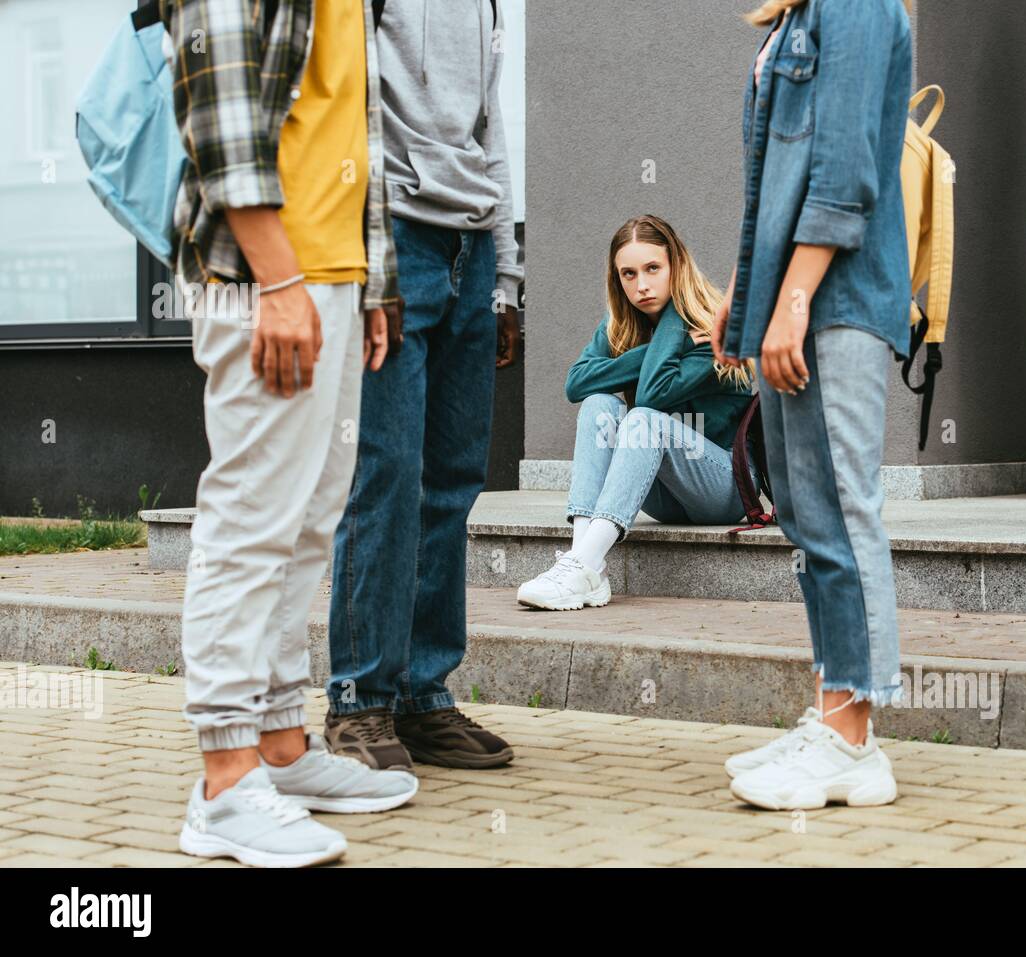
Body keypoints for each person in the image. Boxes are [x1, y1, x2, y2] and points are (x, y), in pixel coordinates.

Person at [169, 0, 419, 868]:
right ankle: (224, 782)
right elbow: (220, 104)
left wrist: (374, 279)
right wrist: (276, 278)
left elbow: (356, 120)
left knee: (310, 519)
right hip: (264, 273)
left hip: (332, 272)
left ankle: (278, 747)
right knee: (249, 521)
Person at [712, 0, 915, 811]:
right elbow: (772, 184)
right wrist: (748, 295)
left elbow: (844, 169)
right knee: (807, 512)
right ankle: (836, 707)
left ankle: (854, 740)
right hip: (794, 299)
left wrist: (792, 299)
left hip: (838, 300)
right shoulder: (792, 20)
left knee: (841, 505)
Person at [324, 0, 524, 772]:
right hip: (396, 237)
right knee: (387, 475)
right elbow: (353, 111)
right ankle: (359, 699)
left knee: (452, 480)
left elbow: (489, 126)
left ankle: (421, 692)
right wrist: (374, 268)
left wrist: (505, 276)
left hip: (471, 249)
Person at [515, 215, 759, 610]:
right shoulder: (622, 325)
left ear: (675, 267)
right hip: (664, 495)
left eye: (652, 269)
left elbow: (652, 393)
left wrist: (673, 329)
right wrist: (655, 350)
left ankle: (583, 565)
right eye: (628, 274)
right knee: (599, 404)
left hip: (724, 486)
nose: (641, 285)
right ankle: (583, 563)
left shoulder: (712, 325)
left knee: (644, 420)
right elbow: (577, 384)